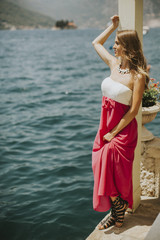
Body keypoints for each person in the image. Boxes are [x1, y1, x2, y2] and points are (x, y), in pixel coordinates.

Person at [92, 15, 149, 229]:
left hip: (122, 129)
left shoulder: (138, 76)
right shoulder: (113, 64)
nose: (113, 47)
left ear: (127, 47)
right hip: (105, 126)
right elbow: (96, 43)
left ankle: (117, 211)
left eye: (117, 43)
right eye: (114, 43)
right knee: (100, 165)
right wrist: (113, 26)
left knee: (107, 162)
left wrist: (113, 133)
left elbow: (134, 110)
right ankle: (117, 209)